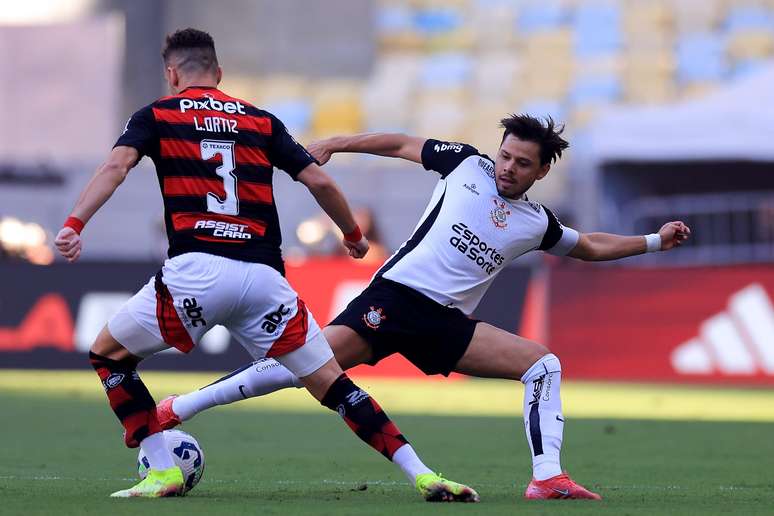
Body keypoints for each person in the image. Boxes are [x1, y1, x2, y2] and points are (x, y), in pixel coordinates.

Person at [156, 114, 692, 501]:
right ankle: (179, 409)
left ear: (540, 172)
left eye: (521, 163)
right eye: (505, 155)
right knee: (303, 366)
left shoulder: (537, 222)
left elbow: (590, 246)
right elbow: (399, 143)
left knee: (542, 364)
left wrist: (652, 241)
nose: (507, 168)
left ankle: (546, 477)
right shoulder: (465, 164)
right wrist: (337, 142)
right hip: (394, 299)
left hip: (443, 324)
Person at [54, 28, 478, 502]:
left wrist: (75, 222)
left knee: (109, 354)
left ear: (172, 74)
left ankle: (161, 469)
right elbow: (319, 181)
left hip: (197, 270)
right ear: (218, 73)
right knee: (334, 385)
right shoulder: (260, 120)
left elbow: (115, 167)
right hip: (264, 280)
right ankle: (423, 474)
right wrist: (353, 236)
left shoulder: (156, 115)